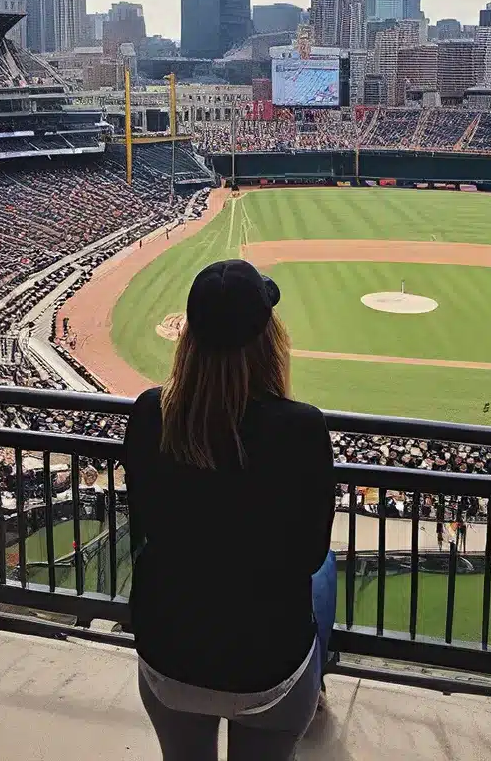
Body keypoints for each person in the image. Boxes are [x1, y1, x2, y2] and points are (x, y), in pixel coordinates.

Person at [124, 259, 336, 761]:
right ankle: (320, 680)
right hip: (269, 670)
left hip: (168, 654)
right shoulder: (302, 429)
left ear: (188, 337)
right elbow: (308, 554)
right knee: (325, 570)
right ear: (269, 339)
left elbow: (149, 525)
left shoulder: (150, 414)